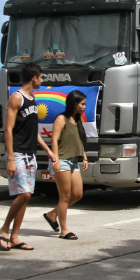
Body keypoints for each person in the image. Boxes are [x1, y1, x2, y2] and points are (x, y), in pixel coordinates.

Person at [0, 63, 57, 251]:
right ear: (34, 78)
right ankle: (4, 230)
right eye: (41, 77)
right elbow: (8, 129)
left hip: (30, 154)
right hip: (18, 153)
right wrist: (11, 158)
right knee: (25, 194)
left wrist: (47, 150)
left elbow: (33, 131)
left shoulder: (33, 99)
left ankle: (15, 237)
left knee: (24, 197)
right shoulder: (17, 98)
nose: (42, 80)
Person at [43, 90, 88, 240]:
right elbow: (54, 140)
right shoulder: (61, 119)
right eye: (82, 104)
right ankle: (64, 230)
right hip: (61, 161)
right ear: (74, 104)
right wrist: (55, 161)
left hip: (74, 161)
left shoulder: (77, 120)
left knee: (78, 194)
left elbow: (78, 141)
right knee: (65, 196)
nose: (84, 107)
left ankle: (52, 214)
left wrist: (85, 157)